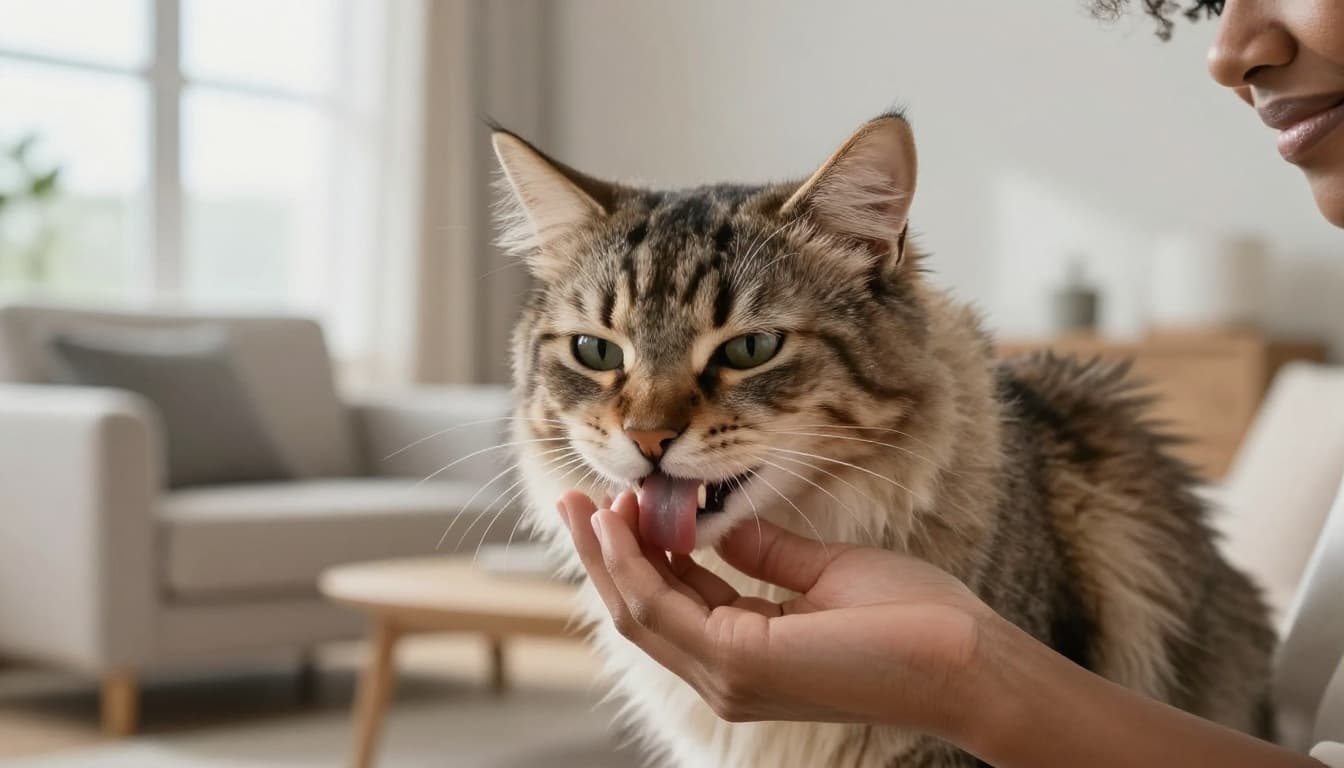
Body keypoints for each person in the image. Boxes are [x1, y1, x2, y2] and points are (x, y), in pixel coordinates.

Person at [555, 1, 1344, 765]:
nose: (648, 421)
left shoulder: (1002, 509)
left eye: (749, 346)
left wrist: (966, 680)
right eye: (595, 352)